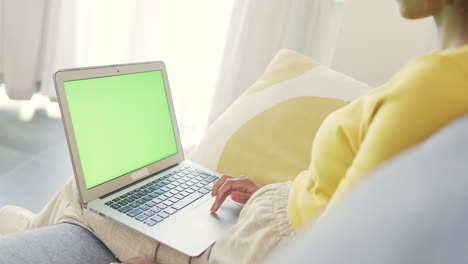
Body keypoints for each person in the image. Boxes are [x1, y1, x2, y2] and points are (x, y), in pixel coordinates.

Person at [1, 0, 467, 263]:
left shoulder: (430, 88)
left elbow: (344, 247)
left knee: (86, 195)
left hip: (245, 252)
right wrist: (275, 195)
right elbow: (346, 202)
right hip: (260, 220)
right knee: (105, 193)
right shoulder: (447, 77)